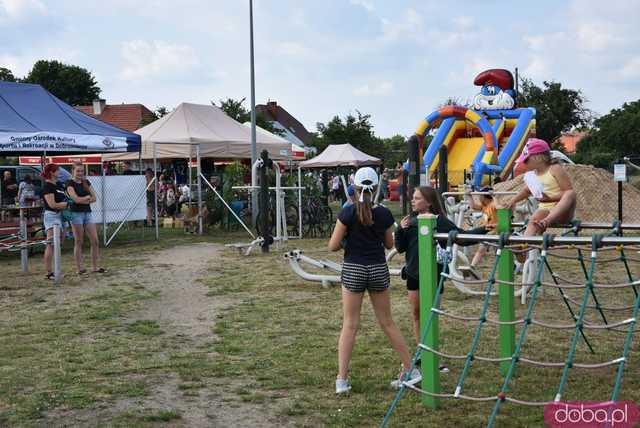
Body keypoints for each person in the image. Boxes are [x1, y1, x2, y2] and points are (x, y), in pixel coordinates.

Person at [328, 167, 417, 394]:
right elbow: (389, 245)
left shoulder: (347, 212)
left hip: (354, 268)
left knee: (350, 324)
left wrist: (348, 240)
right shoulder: (385, 214)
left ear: (354, 187)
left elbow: (332, 245)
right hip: (377, 268)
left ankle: (342, 380)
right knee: (387, 322)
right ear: (378, 188)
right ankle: (411, 370)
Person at [395, 186, 488, 366]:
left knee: (430, 315)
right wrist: (400, 229)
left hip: (433, 275)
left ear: (429, 202)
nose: (413, 201)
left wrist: (485, 229)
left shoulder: (440, 221)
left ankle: (433, 356)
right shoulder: (410, 221)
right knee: (416, 314)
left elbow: (463, 237)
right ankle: (421, 351)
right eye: (412, 198)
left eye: (417, 198)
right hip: (413, 274)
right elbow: (400, 248)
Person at [507, 139, 576, 259]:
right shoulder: (533, 174)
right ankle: (524, 249)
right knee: (533, 221)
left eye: (526, 160)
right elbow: (526, 191)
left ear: (539, 158)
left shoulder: (555, 169)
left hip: (562, 211)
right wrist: (513, 200)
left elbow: (567, 191)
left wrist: (549, 199)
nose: (524, 163)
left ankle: (546, 221)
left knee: (570, 194)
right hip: (545, 209)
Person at [66, 162, 104, 274]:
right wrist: (86, 198)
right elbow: (75, 199)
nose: (80, 173)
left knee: (95, 240)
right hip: (76, 213)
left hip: (87, 213)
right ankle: (79, 268)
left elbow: (94, 198)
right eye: (77, 171)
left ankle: (95, 267)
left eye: (82, 171)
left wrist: (83, 199)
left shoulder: (86, 182)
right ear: (73, 171)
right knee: (79, 241)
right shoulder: (69, 183)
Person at [41, 164, 68, 280]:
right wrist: (66, 205)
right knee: (51, 244)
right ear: (52, 172)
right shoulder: (47, 187)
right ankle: (49, 272)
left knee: (59, 242)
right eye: (58, 170)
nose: (60, 172)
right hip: (52, 216)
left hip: (61, 215)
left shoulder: (59, 185)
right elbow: (52, 205)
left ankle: (56, 270)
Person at [465, 187, 497, 271]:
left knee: (483, 249)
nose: (479, 198)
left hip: (494, 230)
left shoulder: (493, 204)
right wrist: (469, 196)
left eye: (480, 196)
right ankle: (472, 266)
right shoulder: (484, 206)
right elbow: (473, 206)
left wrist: (494, 196)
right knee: (494, 250)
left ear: (485, 197)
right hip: (486, 230)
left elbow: (499, 206)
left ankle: (472, 266)